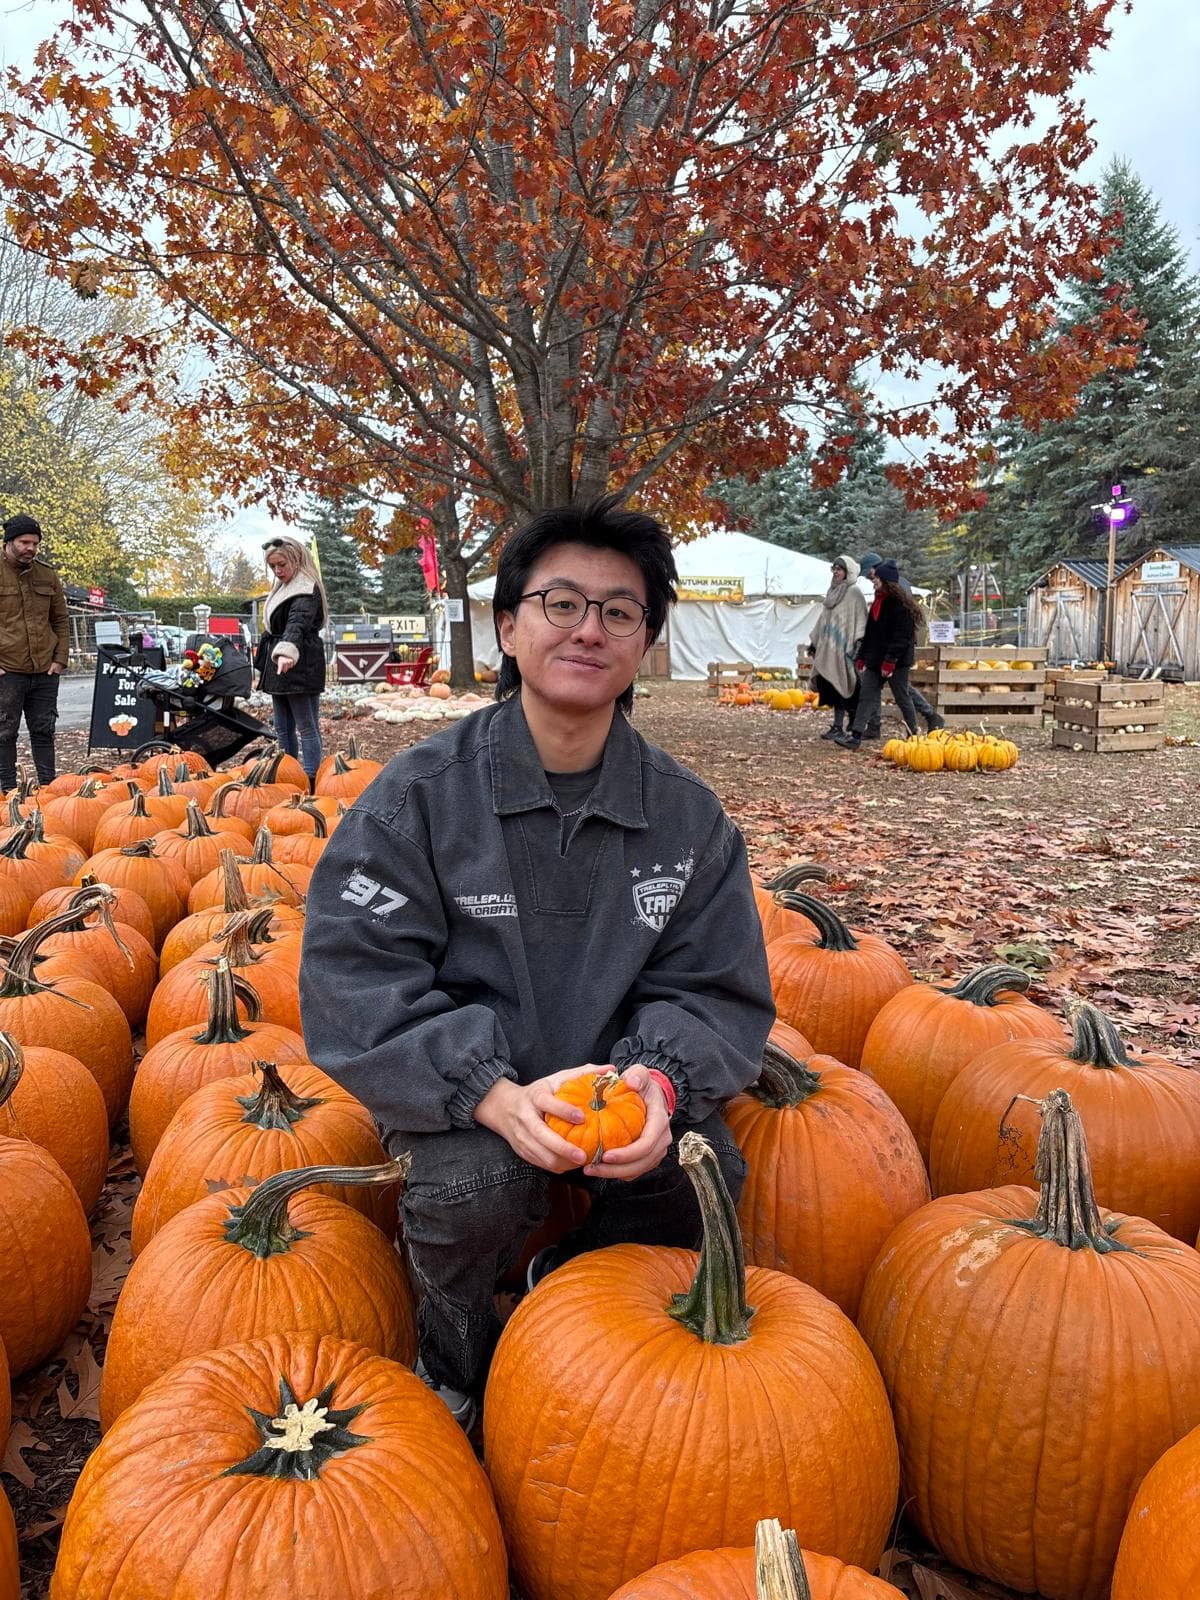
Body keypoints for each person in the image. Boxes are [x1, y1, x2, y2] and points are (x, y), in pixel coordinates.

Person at [299, 496, 774, 1428]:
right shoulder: (419, 799)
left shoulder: (687, 820)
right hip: (470, 1101)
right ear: (508, 626)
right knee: (476, 1184)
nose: (589, 629)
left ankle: (588, 1323)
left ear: (646, 644)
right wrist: (488, 1090)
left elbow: (715, 989)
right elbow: (358, 973)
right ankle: (458, 1358)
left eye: (620, 611)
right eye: (562, 603)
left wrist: (659, 1085)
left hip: (616, 1091)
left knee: (700, 1164)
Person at [0, 513, 69, 791]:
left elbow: (60, 620)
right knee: (4, 733)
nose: (31, 548)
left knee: (44, 731)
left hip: (45, 670)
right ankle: (7, 791)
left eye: (35, 543)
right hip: (7, 670)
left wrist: (60, 659)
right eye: (24, 542)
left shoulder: (47, 574)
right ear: (8, 542)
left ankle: (49, 789)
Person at [254, 536, 327, 784]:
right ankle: (287, 777)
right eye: (273, 566)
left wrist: (287, 651)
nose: (278, 570)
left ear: (296, 559)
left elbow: (297, 622)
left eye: (282, 564)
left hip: (299, 663)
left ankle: (311, 779)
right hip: (280, 662)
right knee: (282, 727)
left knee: (306, 726)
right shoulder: (285, 586)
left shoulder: (306, 588)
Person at [836, 559, 923, 749]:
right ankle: (856, 736)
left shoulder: (900, 605)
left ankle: (913, 732)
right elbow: (871, 634)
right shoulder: (878, 601)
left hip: (897, 661)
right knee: (866, 695)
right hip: (876, 659)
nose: (873, 580)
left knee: (902, 696)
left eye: (877, 578)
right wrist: (862, 656)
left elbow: (902, 638)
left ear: (887, 581)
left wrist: (890, 661)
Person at [857, 550, 942, 734]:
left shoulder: (895, 585)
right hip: (884, 650)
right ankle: (873, 725)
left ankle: (928, 715)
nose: (868, 579)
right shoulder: (882, 585)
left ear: (875, 569)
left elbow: (901, 625)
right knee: (879, 688)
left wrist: (890, 656)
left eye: (868, 574)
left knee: (901, 690)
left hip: (896, 649)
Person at [808, 554, 867, 740]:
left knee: (845, 686)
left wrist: (858, 643)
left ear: (847, 572)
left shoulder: (854, 593)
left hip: (845, 651)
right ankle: (837, 725)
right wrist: (815, 642)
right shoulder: (832, 592)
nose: (835, 572)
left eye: (839, 569)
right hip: (828, 651)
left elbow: (860, 619)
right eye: (833, 569)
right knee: (831, 687)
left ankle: (848, 722)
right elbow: (824, 619)